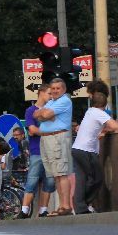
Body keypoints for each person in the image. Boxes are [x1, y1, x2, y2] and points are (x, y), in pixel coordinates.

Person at [73, 92, 118, 214]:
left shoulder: (90, 112)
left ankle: (80, 208)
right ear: (105, 104)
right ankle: (84, 203)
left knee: (81, 179)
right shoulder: (99, 113)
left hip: (76, 149)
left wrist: (103, 130)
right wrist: (106, 131)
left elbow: (95, 127)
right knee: (97, 178)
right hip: (87, 150)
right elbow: (116, 126)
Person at [33, 79, 74, 215]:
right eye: (53, 88)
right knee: (55, 175)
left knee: (61, 173)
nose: (55, 91)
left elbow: (43, 114)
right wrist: (45, 115)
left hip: (57, 138)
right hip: (47, 138)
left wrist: (44, 114)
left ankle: (66, 206)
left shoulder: (64, 100)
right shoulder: (51, 102)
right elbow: (36, 114)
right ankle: (61, 206)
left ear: (64, 89)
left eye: (58, 88)